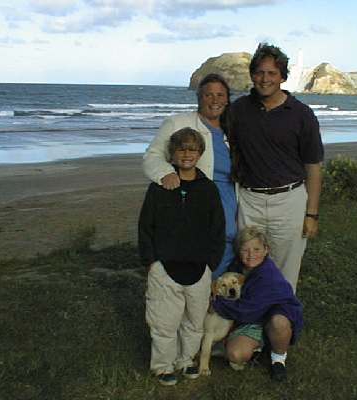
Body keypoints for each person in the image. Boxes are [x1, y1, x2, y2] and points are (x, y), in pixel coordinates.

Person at [229, 43, 324, 291]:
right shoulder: (238, 110)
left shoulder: (302, 114)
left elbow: (313, 166)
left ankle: (282, 322)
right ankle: (250, 323)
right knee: (248, 262)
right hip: (250, 200)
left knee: (286, 269)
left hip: (289, 201)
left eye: (272, 73)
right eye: (260, 72)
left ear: (282, 76)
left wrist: (311, 214)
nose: (265, 78)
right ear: (252, 75)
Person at [138, 128, 225, 386]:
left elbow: (217, 228)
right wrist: (151, 262)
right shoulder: (159, 188)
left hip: (199, 268)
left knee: (194, 321)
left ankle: (185, 360)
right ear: (172, 154)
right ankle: (163, 366)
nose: (187, 154)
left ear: (200, 154)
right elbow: (145, 226)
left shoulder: (208, 189)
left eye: (192, 149)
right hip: (165, 267)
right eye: (181, 149)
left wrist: (212, 262)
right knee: (164, 322)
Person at [142, 74, 237, 279]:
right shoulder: (177, 123)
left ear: (227, 99)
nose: (215, 100)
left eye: (220, 95)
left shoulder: (233, 130)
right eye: (208, 95)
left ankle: (212, 303)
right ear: (199, 97)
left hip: (231, 204)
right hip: (194, 203)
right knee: (196, 253)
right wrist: (165, 173)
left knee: (226, 249)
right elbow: (152, 156)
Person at [212, 226, 303, 382]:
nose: (250, 255)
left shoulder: (268, 275)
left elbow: (246, 311)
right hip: (252, 316)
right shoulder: (236, 267)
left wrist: (216, 303)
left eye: (256, 249)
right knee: (235, 354)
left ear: (266, 250)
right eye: (245, 250)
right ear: (238, 251)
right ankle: (259, 346)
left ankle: (278, 359)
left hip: (272, 315)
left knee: (278, 323)